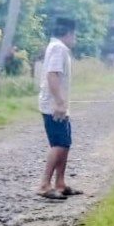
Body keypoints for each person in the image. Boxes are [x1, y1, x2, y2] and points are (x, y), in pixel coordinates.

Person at [37, 18, 82, 200]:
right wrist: (59, 103)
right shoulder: (58, 48)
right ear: (69, 33)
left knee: (65, 143)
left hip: (58, 104)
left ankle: (60, 183)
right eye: (75, 34)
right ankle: (44, 185)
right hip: (54, 106)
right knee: (58, 144)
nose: (75, 38)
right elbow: (52, 75)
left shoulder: (57, 47)